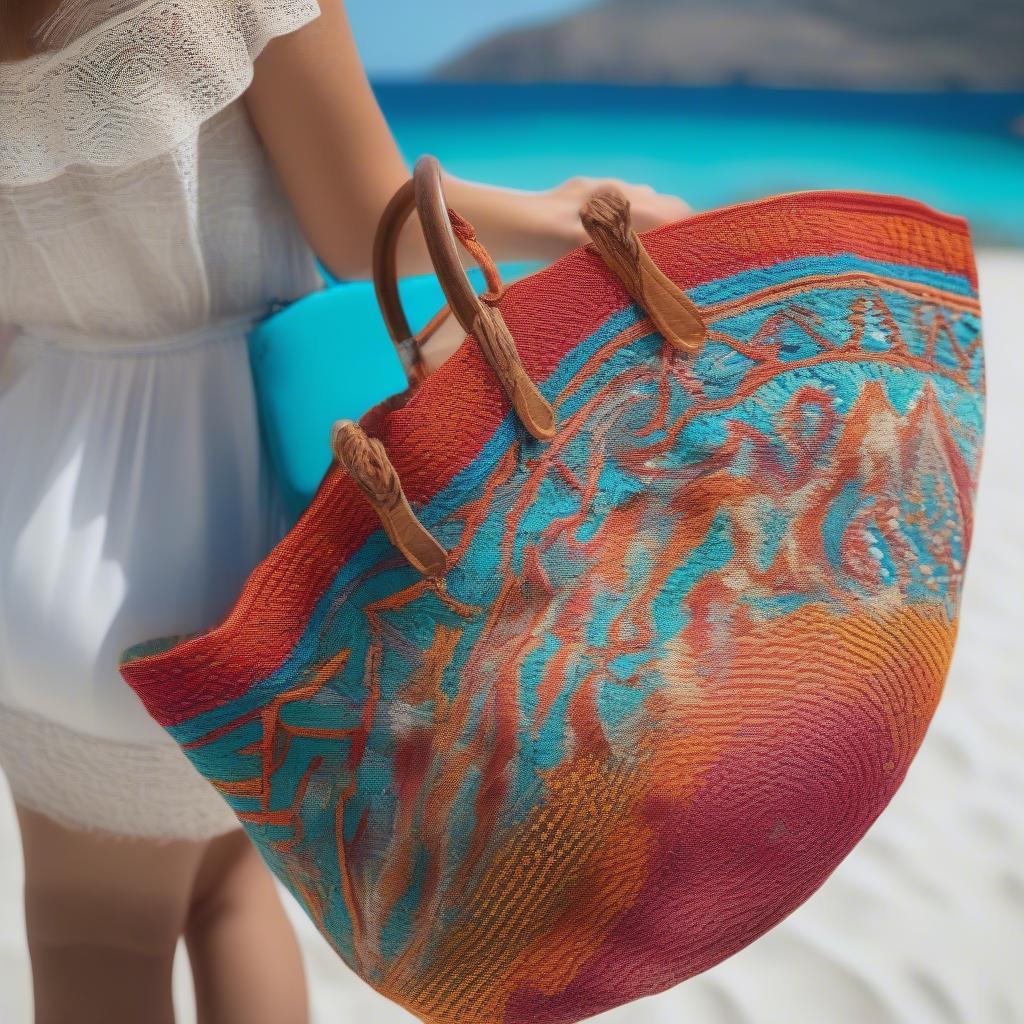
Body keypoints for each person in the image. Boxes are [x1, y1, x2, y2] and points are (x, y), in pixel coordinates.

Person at [0, 0, 690, 1021]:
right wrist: (562, 211)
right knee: (232, 892)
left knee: (88, 926)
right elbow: (363, 216)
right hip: (247, 527)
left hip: (34, 514)